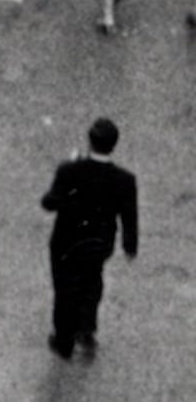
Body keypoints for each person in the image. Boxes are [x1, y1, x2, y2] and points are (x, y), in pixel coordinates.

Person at [44, 114, 140, 359]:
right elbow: (129, 215)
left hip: (66, 241)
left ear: (89, 141)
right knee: (92, 281)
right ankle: (86, 329)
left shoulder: (69, 170)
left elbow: (49, 203)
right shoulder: (124, 180)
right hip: (98, 244)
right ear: (114, 144)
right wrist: (130, 245)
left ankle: (63, 340)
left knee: (64, 288)